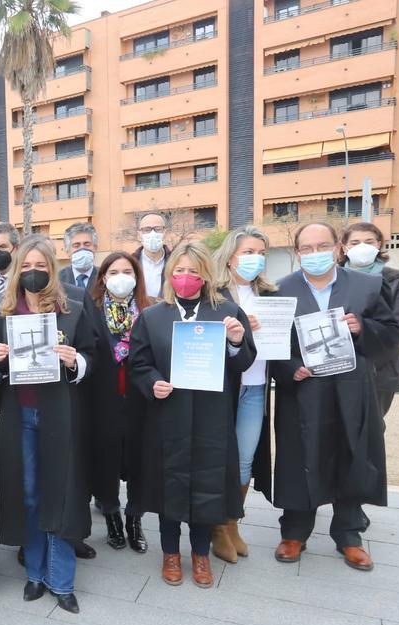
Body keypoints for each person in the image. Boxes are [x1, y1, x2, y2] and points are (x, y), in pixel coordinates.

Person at [271, 223, 399, 572]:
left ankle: (349, 534)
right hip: (303, 390)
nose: (315, 254)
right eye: (307, 248)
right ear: (297, 252)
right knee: (300, 457)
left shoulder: (369, 285)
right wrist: (290, 368)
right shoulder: (279, 290)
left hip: (351, 388)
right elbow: (270, 345)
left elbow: (391, 333)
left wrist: (362, 326)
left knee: (351, 454)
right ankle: (294, 532)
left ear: (338, 247)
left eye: (323, 245)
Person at [130, 242, 255, 588]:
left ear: (206, 275)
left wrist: (236, 340)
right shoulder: (153, 316)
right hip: (168, 417)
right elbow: (138, 363)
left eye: (193, 271)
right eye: (180, 271)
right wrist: (152, 382)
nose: (186, 277)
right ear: (170, 275)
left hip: (211, 418)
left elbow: (243, 362)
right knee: (169, 486)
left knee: (207, 486)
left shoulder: (226, 312)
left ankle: (200, 554)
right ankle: (171, 553)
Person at [0, 235, 98, 614]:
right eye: (27, 267)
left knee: (61, 495)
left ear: (52, 270)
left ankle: (61, 579)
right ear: (17, 271)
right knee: (29, 495)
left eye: (42, 267)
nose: (34, 273)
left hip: (59, 415)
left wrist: (75, 361)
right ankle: (34, 573)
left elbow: (95, 358)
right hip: (19, 417)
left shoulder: (76, 310)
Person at [208, 227, 279, 564]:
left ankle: (231, 522)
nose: (256, 259)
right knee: (220, 454)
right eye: (249, 251)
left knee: (246, 459)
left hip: (255, 385)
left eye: (261, 252)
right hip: (223, 388)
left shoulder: (271, 293)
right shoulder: (215, 294)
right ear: (231, 255)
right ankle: (216, 527)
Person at [87, 252, 152, 553]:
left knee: (140, 461)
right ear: (102, 277)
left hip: (141, 400)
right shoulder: (91, 310)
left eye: (127, 271)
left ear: (137, 276)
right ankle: (111, 515)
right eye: (113, 271)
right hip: (103, 401)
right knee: (105, 461)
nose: (121, 277)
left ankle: (134, 519)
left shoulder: (150, 310)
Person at [338, 222, 399, 415]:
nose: (362, 247)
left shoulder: (398, 281)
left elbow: (397, 329)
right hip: (336, 369)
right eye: (355, 242)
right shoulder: (333, 278)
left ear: (379, 244)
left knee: (371, 433)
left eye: (368, 241)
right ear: (344, 247)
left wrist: (363, 328)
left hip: (379, 371)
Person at [133, 213, 171, 299]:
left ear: (165, 233)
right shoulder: (131, 263)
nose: (152, 233)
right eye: (147, 230)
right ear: (139, 235)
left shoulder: (175, 262)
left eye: (158, 229)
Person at [59, 223, 98, 290]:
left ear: (95, 248)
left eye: (87, 244)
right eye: (76, 246)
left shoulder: (105, 277)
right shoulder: (57, 280)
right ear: (67, 251)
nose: (82, 249)